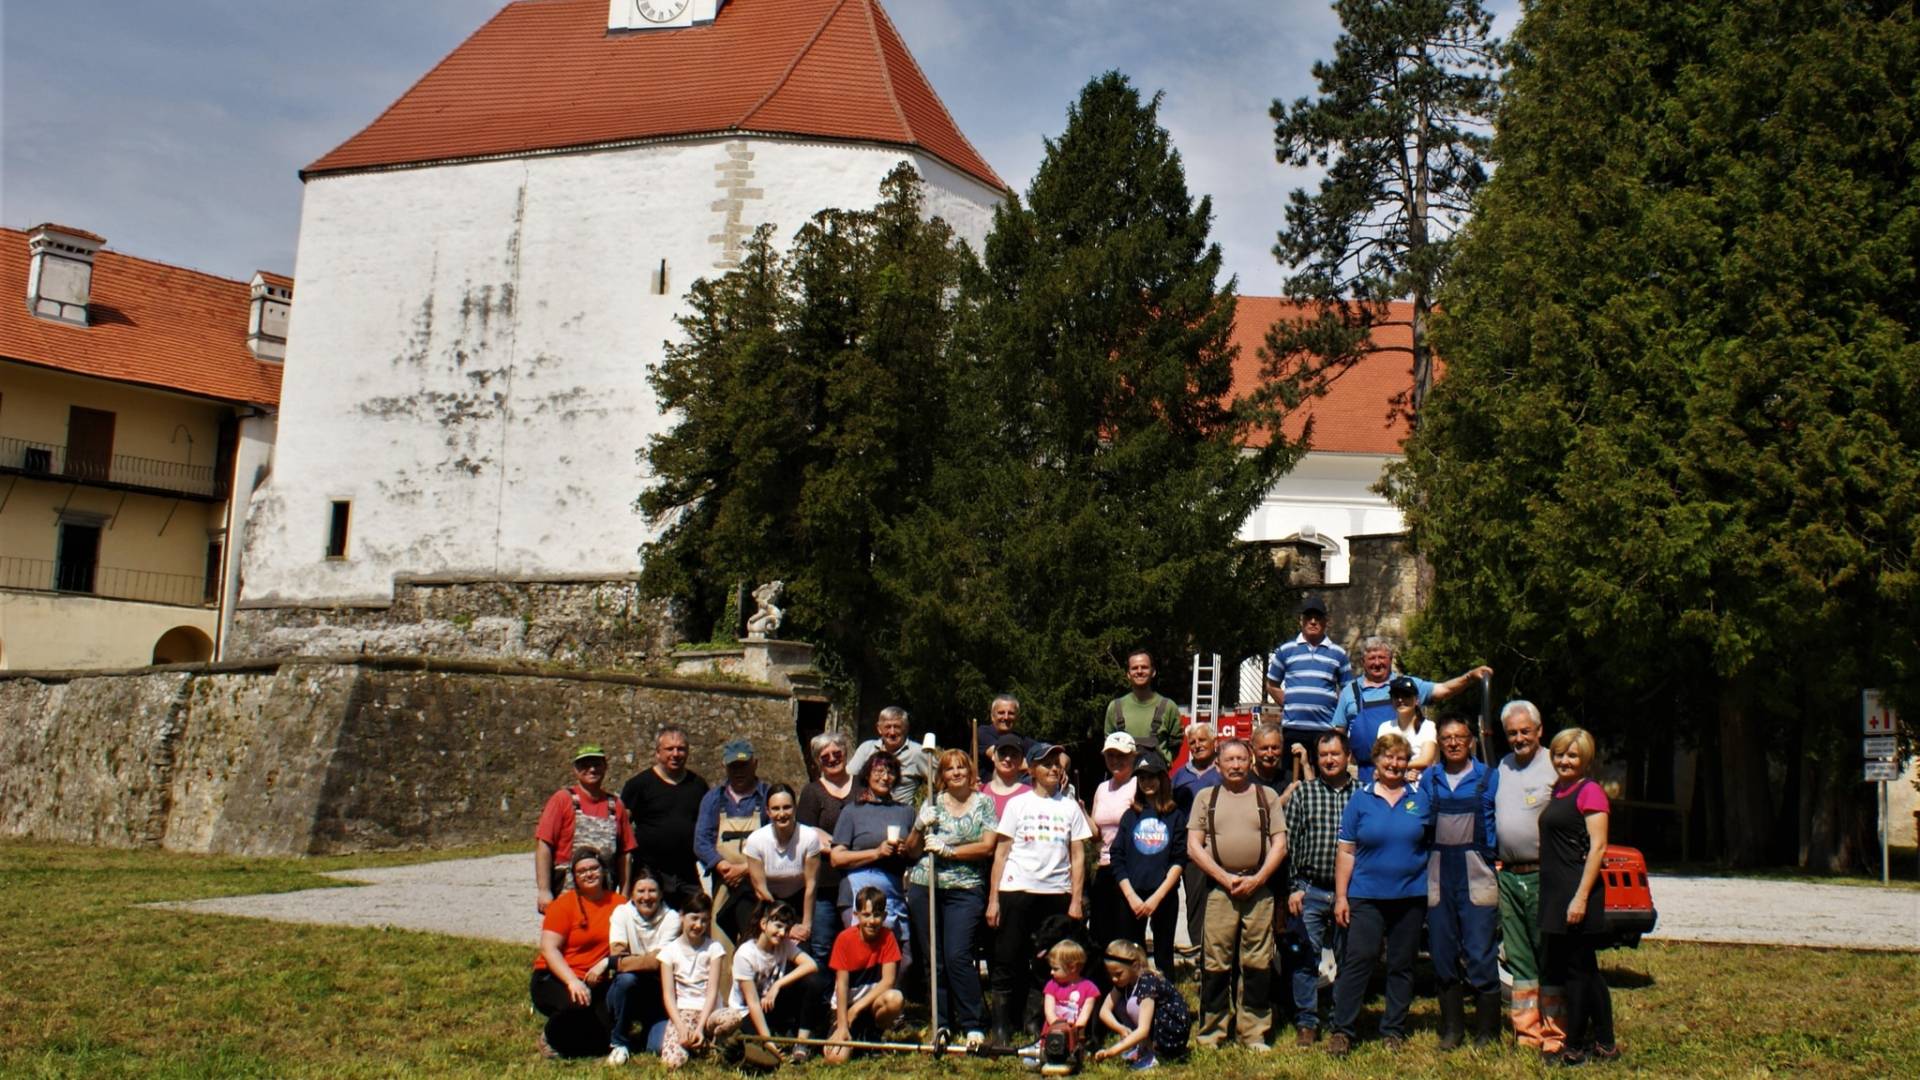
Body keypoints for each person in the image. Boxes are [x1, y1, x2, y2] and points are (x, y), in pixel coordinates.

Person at [1327, 731, 1432, 1056]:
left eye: (1401, 758)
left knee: (1402, 965)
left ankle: (1393, 1030)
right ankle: (1342, 1030)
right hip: (1366, 896)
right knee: (1358, 962)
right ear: (1376, 760)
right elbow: (1346, 852)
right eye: (1388, 757)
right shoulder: (1360, 799)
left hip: (1410, 896)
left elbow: (1430, 843)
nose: (1394, 763)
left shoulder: (1420, 797)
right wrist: (1341, 896)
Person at [987, 741, 1093, 1049]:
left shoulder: (1069, 806)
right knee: (1007, 958)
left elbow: (1078, 856)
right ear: (1031, 770)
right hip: (1016, 889)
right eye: (1046, 763)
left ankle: (1036, 1022)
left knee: (1048, 961)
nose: (1054, 768)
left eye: (1057, 763)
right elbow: (1001, 852)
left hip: (1056, 893)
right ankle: (1002, 1027)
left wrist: (1075, 899)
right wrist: (994, 899)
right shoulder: (1018, 804)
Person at [1187, 739, 1288, 1050]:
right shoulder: (1206, 797)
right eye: (1229, 760)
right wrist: (1224, 877)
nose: (1235, 765)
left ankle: (1253, 1032)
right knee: (1215, 963)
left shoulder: (1265, 795)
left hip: (1259, 890)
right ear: (1218, 764)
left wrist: (1257, 880)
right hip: (1220, 891)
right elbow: (1194, 846)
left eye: (1241, 759)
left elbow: (1280, 845)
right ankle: (1212, 1032)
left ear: (1250, 761)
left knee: (1257, 963)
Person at [905, 748, 998, 1049]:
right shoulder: (931, 803)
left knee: (958, 955)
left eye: (961, 768)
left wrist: (951, 851)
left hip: (965, 888)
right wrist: (919, 826)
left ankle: (974, 1022)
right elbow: (911, 850)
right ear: (941, 776)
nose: (956, 772)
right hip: (926, 885)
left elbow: (987, 847)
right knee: (935, 960)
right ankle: (942, 1022)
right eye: (949, 769)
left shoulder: (984, 802)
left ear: (970, 773)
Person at [1538, 728, 1618, 1066]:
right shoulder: (1559, 790)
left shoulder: (1590, 792)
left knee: (1576, 974)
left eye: (1572, 755)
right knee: (1585, 970)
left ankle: (1574, 1044)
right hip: (1557, 890)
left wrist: (1581, 897)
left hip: (1576, 891)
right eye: (1559, 754)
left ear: (1585, 759)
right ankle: (1606, 1043)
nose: (1564, 761)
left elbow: (1598, 847)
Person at [1490, 700, 1566, 1051]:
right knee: (1518, 955)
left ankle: (1555, 1032)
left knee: (1548, 953)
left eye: (1525, 731)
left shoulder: (1556, 765)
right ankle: (1527, 1033)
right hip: (1509, 876)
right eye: (1512, 733)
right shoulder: (1503, 767)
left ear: (1539, 731)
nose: (1518, 738)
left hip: (1544, 875)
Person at [1423, 716, 1502, 1049]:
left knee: (1480, 951)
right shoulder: (1430, 778)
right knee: (1442, 951)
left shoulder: (1489, 778)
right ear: (1439, 743)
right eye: (1446, 738)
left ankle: (1487, 1031)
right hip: (1439, 872)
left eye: (1459, 737)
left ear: (1471, 740)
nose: (1453, 743)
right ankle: (1452, 1028)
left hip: (1477, 871)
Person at [1332, 636, 1491, 783]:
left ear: (1390, 659)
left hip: (1411, 773)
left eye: (1382, 657)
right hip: (1368, 774)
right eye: (1372, 658)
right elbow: (1339, 733)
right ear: (1363, 661)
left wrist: (1470, 677)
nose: (1377, 663)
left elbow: (1443, 690)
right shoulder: (1349, 692)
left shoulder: (1407, 686)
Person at [1282, 730, 1354, 1048]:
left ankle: (1340, 1025)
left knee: (1347, 960)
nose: (1329, 760)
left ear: (1347, 757)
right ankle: (1307, 1023)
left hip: (1349, 893)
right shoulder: (1304, 793)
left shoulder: (1362, 795)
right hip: (1309, 890)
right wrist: (1294, 888)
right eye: (1323, 755)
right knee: (1304, 960)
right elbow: (1289, 843)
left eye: (1335, 754)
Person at [531, 850, 624, 1058]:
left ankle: (581, 1044)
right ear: (575, 876)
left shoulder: (619, 904)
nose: (588, 874)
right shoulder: (563, 905)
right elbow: (549, 948)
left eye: (593, 868)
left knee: (606, 1032)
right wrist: (572, 981)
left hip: (595, 979)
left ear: (603, 871)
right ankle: (551, 1036)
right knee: (578, 1005)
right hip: (555, 976)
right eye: (582, 871)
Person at [830, 751, 917, 954]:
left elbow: (915, 855)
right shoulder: (852, 811)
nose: (885, 777)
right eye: (878, 771)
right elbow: (836, 858)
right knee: (864, 954)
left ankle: (891, 987)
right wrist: (876, 853)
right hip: (857, 892)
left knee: (903, 958)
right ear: (867, 775)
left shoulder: (905, 811)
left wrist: (906, 850)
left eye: (890, 772)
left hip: (894, 893)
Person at [1110, 750, 1187, 977]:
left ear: (1163, 778)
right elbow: (1117, 856)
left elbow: (1179, 859)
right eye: (1142, 778)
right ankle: (1133, 1005)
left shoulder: (1175, 816)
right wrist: (1132, 896)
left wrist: (1157, 897)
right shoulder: (1130, 815)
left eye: (1152, 776)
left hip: (1162, 896)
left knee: (1163, 955)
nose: (1147, 782)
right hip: (1131, 896)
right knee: (1132, 956)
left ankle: (1165, 1006)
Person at [535, 745, 636, 913]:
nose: (592, 769)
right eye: (585, 765)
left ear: (605, 767)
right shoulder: (562, 800)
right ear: (575, 770)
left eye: (597, 764)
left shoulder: (616, 805)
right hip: (566, 891)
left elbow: (625, 854)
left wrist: (624, 895)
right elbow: (544, 845)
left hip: (606, 894)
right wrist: (544, 891)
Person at [619, 726, 710, 907]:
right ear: (657, 753)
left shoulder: (698, 786)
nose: (675, 754)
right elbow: (622, 828)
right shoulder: (638, 785)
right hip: (649, 871)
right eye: (669, 749)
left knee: (696, 918)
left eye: (681, 749)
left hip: (686, 873)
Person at [693, 738, 770, 949]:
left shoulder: (767, 797)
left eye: (743, 765)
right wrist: (722, 866)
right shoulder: (713, 799)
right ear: (724, 766)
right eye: (733, 766)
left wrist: (745, 869)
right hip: (724, 883)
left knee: (758, 943)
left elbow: (778, 840)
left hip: (759, 883)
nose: (738, 771)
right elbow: (701, 841)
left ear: (755, 763)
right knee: (720, 945)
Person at [731, 900, 830, 1064]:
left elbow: (811, 965)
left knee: (814, 981)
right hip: (747, 1011)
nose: (782, 933)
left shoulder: (784, 945)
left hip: (771, 1004)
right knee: (766, 1057)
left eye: (786, 928)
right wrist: (767, 1040)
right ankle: (763, 1041)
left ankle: (801, 1043)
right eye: (777, 926)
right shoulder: (745, 954)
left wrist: (778, 984)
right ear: (763, 924)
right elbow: (753, 1003)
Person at [652, 892, 744, 1067]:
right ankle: (698, 1047)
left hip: (709, 1013)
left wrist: (701, 1026)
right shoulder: (669, 952)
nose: (698, 925)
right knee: (672, 1063)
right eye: (694, 918)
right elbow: (669, 996)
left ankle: (712, 1042)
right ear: (681, 916)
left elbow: (711, 991)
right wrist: (680, 1026)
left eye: (704, 920)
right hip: (683, 1013)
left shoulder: (714, 948)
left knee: (733, 1018)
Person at [605, 865, 683, 1065]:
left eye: (652, 891)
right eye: (641, 891)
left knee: (657, 1047)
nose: (646, 897)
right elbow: (617, 953)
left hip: (657, 992)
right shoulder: (621, 914)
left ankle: (645, 1034)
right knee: (626, 980)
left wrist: (616, 962)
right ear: (632, 893)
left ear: (661, 893)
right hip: (626, 989)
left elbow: (660, 961)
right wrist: (618, 961)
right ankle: (619, 1041)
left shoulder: (672, 918)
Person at [1263, 595, 1353, 763]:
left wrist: (1337, 715)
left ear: (1326, 622)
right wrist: (1290, 702)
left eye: (1317, 617)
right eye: (1308, 617)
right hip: (1293, 728)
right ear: (1301, 621)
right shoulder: (1285, 650)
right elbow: (1272, 684)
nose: (1313, 622)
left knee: (1324, 778)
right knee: (1293, 779)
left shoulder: (1338, 654)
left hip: (1325, 729)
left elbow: (1348, 691)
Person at [824, 886, 908, 1063]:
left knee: (895, 999)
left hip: (869, 1004)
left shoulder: (888, 937)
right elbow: (842, 985)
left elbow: (888, 981)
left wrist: (857, 1009)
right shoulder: (844, 939)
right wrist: (842, 1023)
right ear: (856, 915)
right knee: (835, 1059)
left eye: (877, 915)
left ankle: (874, 1034)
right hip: (844, 1006)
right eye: (866, 915)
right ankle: (854, 1037)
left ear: (884, 917)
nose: (872, 921)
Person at [797, 731, 856, 966]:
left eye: (837, 753)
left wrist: (831, 841)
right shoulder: (812, 792)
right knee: (822, 945)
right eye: (825, 756)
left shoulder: (861, 785)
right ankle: (821, 1000)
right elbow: (807, 832)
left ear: (845, 753)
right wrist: (842, 848)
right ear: (816, 761)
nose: (832, 759)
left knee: (854, 942)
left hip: (856, 878)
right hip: (824, 882)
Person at [742, 783, 824, 951]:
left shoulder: (809, 837)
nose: (781, 814)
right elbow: (760, 889)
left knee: (803, 948)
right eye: (776, 808)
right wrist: (786, 926)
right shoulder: (756, 840)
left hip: (798, 899)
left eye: (787, 807)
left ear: (795, 808)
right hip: (764, 902)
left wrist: (805, 926)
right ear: (768, 812)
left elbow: (811, 885)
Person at [1093, 939, 1192, 1069]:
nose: (1114, 979)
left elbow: (1143, 1030)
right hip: (1155, 1026)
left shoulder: (1147, 983)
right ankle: (1142, 1048)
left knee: (1132, 1005)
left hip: (1171, 1031)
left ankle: (1155, 1053)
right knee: (1121, 1004)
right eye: (1110, 974)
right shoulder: (1125, 980)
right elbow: (1104, 1011)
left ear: (1134, 966)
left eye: (1118, 974)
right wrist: (1120, 1028)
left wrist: (1112, 1051)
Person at [1088, 730, 1141, 948]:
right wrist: (1080, 810)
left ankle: (1130, 980)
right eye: (1111, 755)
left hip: (1129, 868)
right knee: (1100, 931)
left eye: (1121, 755)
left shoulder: (1139, 785)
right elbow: (1096, 834)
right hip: (1104, 866)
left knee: (1126, 932)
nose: (1116, 760)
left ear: (1133, 756)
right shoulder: (1102, 788)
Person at [849, 706, 937, 807]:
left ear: (906, 728)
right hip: (866, 811)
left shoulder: (918, 753)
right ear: (879, 728)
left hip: (899, 815)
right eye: (887, 727)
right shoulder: (866, 749)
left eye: (897, 727)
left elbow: (943, 781)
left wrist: (928, 807)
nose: (892, 732)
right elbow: (849, 779)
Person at [1036, 938, 1100, 1070]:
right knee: (1039, 1058)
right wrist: (1059, 1027)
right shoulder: (1051, 985)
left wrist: (1073, 1029)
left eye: (1055, 968)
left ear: (1072, 967)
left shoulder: (1089, 988)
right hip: (1051, 1034)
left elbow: (1084, 1015)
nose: (1051, 972)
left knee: (1075, 1057)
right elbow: (1049, 1011)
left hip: (1074, 1036)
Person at [1106, 649, 1184, 755]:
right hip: (1124, 771)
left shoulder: (1169, 707)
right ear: (1128, 674)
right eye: (1134, 668)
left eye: (1144, 667)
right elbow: (1109, 745)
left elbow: (1175, 744)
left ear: (1153, 672)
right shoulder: (1115, 707)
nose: (1139, 671)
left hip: (1157, 771)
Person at [1376, 675, 1440, 781]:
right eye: (1396, 696)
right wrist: (1403, 773)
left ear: (1416, 700)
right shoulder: (1384, 728)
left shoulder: (1428, 726)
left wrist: (1394, 766)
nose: (1401, 700)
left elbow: (1426, 760)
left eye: (1406, 695)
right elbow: (1380, 760)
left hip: (1421, 785)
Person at [981, 733, 1034, 817]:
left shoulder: (1031, 795)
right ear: (993, 756)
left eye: (1014, 755)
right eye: (1003, 753)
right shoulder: (980, 791)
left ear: (1021, 761)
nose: (1008, 758)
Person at [1170, 721, 1221, 805]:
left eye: (1202, 740)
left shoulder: (1226, 770)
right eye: (1192, 743)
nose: (1197, 745)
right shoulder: (1180, 775)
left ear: (1215, 742)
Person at [976, 693, 1029, 772]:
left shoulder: (1021, 739)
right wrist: (1036, 767)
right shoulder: (982, 733)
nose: (1006, 717)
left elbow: (1045, 752)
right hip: (986, 784)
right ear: (992, 716)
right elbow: (1002, 760)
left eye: (1011, 713)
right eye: (1001, 713)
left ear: (1017, 717)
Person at [1251, 723, 1290, 791]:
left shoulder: (1289, 778)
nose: (1270, 754)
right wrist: (1284, 797)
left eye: (1274, 748)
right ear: (1252, 750)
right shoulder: (1244, 783)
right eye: (1264, 748)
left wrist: (1305, 765)